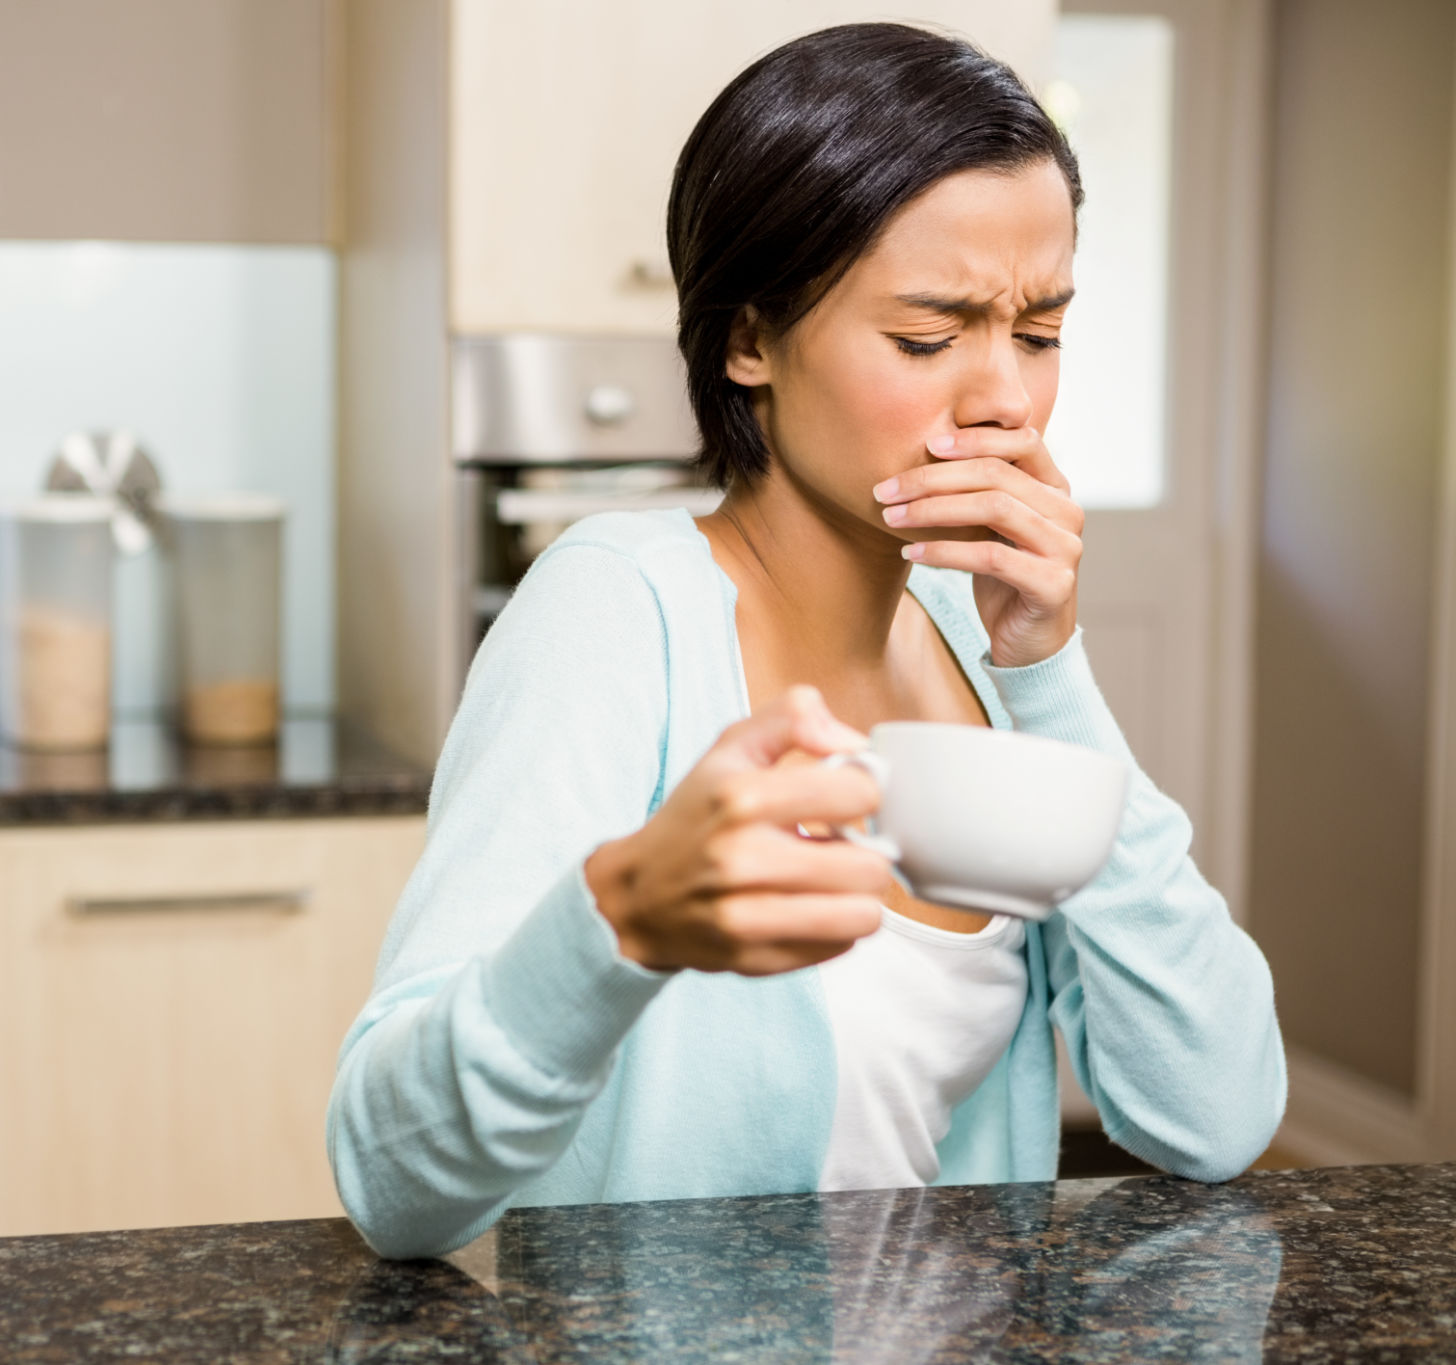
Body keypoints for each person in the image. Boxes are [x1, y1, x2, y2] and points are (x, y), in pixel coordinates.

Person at [326, 21, 1285, 1261]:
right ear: (748, 340)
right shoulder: (612, 612)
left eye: (1038, 333)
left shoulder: (975, 638)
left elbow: (1215, 1115)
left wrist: (1048, 671)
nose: (1004, 398)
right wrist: (615, 923)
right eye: (927, 339)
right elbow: (391, 1185)